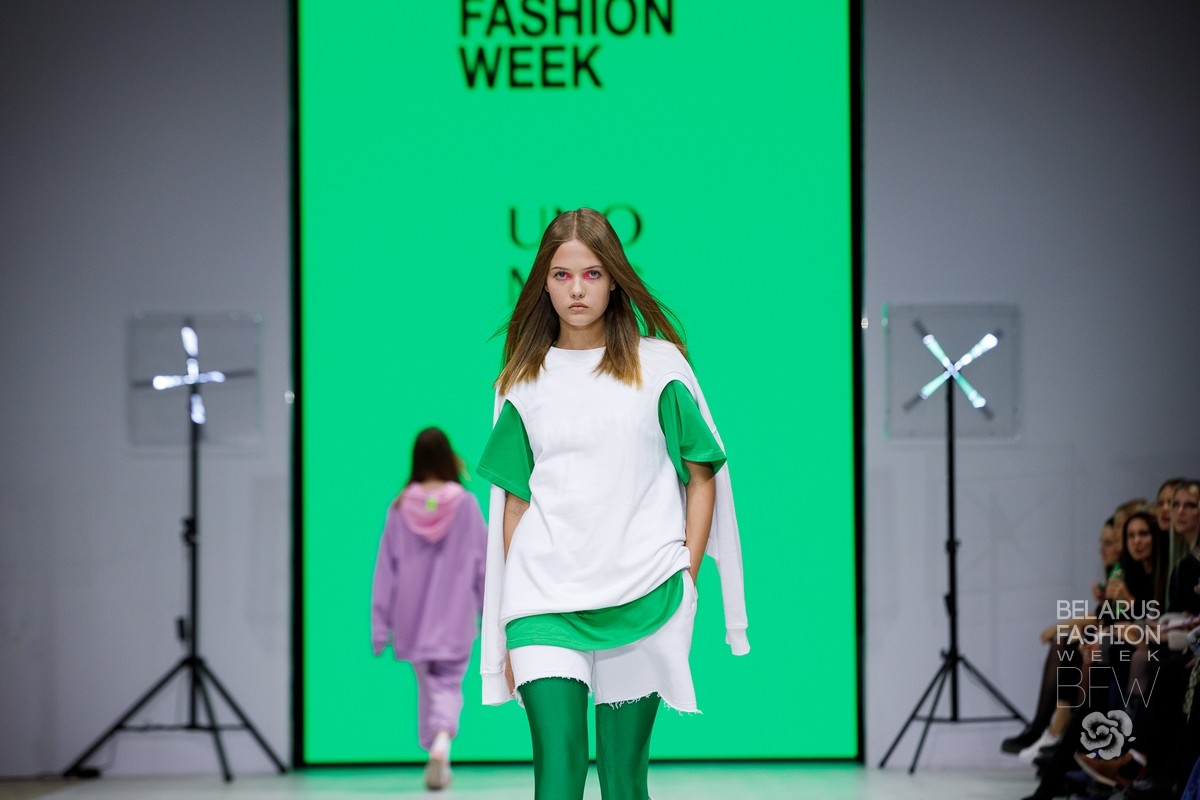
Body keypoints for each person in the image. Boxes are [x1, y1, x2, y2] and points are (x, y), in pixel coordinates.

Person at [476, 208, 748, 800]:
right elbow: (514, 505)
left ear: (615, 280)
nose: (576, 289)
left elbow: (702, 474)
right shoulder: (523, 379)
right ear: (544, 284)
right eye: (562, 275)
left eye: (592, 274)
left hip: (642, 594)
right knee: (558, 769)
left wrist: (687, 575)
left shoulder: (659, 368)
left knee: (624, 781)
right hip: (543, 601)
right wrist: (510, 610)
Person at [371, 427, 487, 791]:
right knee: (448, 685)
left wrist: (380, 627)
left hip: (413, 621)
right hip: (455, 619)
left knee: (429, 688)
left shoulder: (400, 507)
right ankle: (440, 744)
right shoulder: (465, 505)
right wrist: (490, 615)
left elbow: (385, 570)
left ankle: (438, 749)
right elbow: (484, 565)